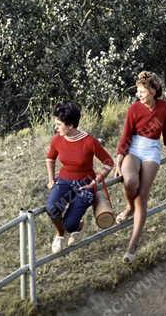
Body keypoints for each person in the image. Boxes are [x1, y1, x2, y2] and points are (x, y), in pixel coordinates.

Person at [113, 70, 166, 263]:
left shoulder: (165, 108)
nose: (139, 94)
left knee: (142, 196)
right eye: (138, 91)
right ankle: (128, 207)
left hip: (151, 150)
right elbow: (125, 136)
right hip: (134, 148)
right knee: (130, 182)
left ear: (154, 90)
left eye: (142, 90)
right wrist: (119, 160)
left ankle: (132, 246)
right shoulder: (134, 109)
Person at [45, 101, 115, 254]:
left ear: (70, 126)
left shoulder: (89, 141)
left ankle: (76, 226)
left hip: (85, 185)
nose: (55, 127)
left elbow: (109, 162)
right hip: (64, 181)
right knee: (52, 208)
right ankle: (60, 234)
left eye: (59, 124)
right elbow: (50, 159)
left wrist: (97, 180)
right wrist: (51, 180)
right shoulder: (57, 139)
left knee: (70, 224)